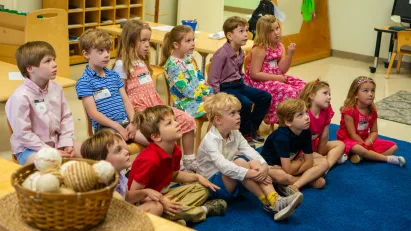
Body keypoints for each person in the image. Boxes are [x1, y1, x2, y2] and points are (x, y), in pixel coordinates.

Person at [198, 93, 303, 221]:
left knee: (253, 162)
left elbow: (249, 150)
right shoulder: (210, 140)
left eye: (238, 112)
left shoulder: (235, 132)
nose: (238, 116)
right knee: (241, 162)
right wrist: (251, 174)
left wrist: (263, 165)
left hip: (231, 180)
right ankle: (268, 203)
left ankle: (275, 199)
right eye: (233, 114)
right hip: (213, 186)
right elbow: (224, 167)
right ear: (218, 120)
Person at [113, 20, 198, 172]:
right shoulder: (121, 65)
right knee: (167, 132)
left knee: (187, 120)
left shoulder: (141, 61)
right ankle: (172, 165)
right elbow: (121, 97)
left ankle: (189, 160)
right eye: (143, 41)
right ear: (131, 41)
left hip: (156, 106)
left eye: (149, 40)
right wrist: (133, 121)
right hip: (142, 113)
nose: (147, 45)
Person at [128, 105, 227, 225]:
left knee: (202, 189)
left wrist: (197, 177)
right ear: (156, 136)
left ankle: (174, 216)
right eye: (169, 123)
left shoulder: (176, 150)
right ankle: (201, 211)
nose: (176, 123)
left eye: (174, 120)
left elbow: (174, 175)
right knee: (158, 206)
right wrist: (162, 201)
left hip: (163, 195)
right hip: (145, 203)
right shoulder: (150, 160)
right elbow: (132, 195)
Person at [6, 41, 80, 165]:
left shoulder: (57, 88)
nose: (55, 65)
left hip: (56, 142)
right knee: (49, 163)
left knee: (88, 151)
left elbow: (65, 117)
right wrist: (48, 150)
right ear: (30, 68)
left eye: (54, 60)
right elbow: (23, 134)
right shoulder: (20, 97)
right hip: (29, 148)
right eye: (47, 61)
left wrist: (66, 142)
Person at [208, 16, 271, 146]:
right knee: (246, 104)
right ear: (230, 35)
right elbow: (213, 78)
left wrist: (243, 82)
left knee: (265, 97)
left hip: (239, 85)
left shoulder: (241, 52)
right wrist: (217, 97)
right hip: (226, 88)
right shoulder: (221, 54)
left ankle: (251, 128)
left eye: (246, 30)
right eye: (241, 31)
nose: (246, 34)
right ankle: (243, 133)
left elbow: (239, 71)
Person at [75, 29, 146, 144]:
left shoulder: (114, 75)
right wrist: (117, 127)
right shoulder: (84, 81)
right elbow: (93, 113)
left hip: (126, 123)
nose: (107, 55)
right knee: (119, 147)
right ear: (86, 54)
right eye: (101, 51)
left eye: (108, 50)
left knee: (153, 138)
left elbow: (126, 101)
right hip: (105, 129)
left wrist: (133, 123)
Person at [81, 129, 163, 215]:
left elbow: (126, 197)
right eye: (118, 151)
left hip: (121, 212)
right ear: (102, 163)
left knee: (156, 205)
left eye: (123, 148)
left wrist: (145, 192)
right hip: (114, 219)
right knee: (156, 207)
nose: (126, 152)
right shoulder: (103, 185)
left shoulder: (120, 175)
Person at [244, 15, 306, 125]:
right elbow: (254, 74)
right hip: (259, 82)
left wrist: (290, 55)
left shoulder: (280, 46)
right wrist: (277, 78)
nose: (276, 32)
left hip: (276, 78)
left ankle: (298, 119)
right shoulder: (260, 49)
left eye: (277, 28)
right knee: (289, 91)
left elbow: (282, 69)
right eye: (271, 31)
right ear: (263, 33)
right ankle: (285, 120)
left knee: (304, 87)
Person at [261, 98, 329, 194]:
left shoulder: (306, 131)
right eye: (300, 115)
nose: (307, 117)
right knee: (283, 176)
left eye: (306, 112)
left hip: (290, 163)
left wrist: (299, 162)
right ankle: (307, 180)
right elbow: (288, 170)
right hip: (271, 166)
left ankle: (294, 184)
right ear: (288, 122)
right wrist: (301, 162)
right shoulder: (281, 137)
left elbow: (308, 162)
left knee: (324, 162)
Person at [337, 76, 406, 167]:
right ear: (355, 94)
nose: (370, 94)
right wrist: (363, 145)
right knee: (358, 148)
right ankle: (388, 159)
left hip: (365, 139)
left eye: (372, 90)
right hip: (349, 140)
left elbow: (374, 131)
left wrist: (368, 142)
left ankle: (364, 156)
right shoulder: (348, 111)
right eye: (366, 91)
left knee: (394, 147)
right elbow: (352, 134)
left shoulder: (372, 110)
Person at [160, 25, 213, 119]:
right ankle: (213, 134)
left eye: (193, 40)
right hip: (184, 102)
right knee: (216, 112)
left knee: (222, 106)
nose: (193, 43)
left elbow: (200, 78)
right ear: (176, 45)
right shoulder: (172, 65)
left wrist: (208, 92)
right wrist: (204, 98)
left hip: (198, 96)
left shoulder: (190, 58)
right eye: (188, 41)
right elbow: (185, 90)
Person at [299, 79, 346, 168]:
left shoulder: (326, 110)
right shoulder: (304, 114)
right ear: (312, 95)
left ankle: (326, 166)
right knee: (316, 158)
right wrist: (317, 156)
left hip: (314, 145)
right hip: (301, 150)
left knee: (340, 144)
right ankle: (324, 163)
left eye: (329, 94)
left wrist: (319, 153)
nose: (329, 97)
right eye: (325, 93)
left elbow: (324, 136)